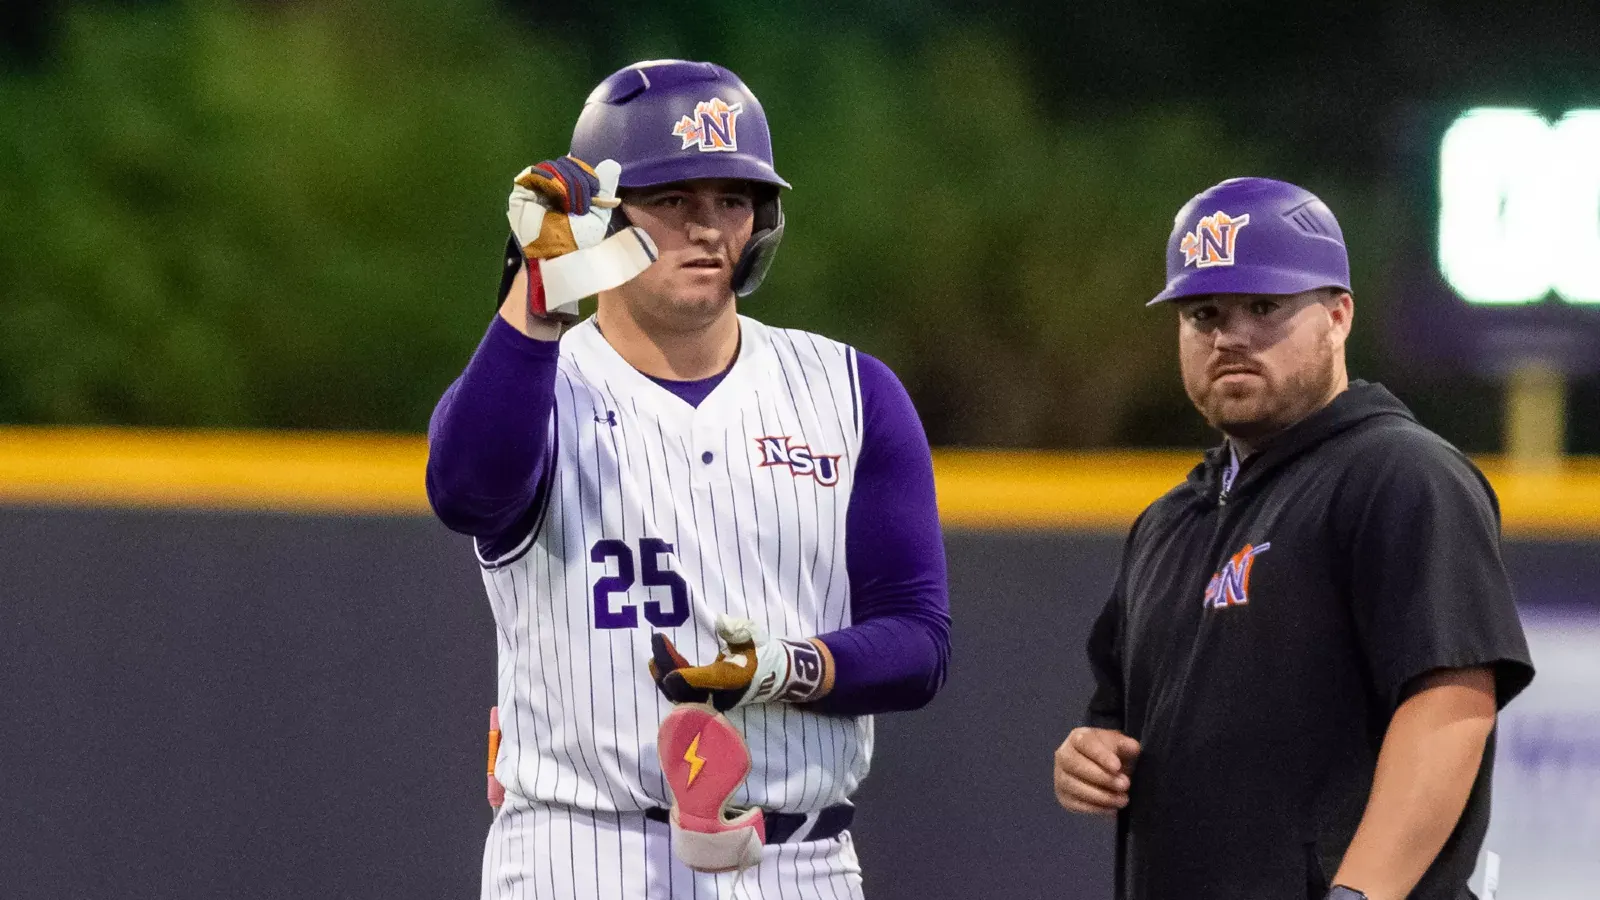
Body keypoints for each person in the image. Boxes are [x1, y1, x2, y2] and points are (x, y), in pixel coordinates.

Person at [426, 59, 951, 900]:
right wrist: (537, 297)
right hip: (583, 848)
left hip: (803, 859)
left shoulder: (851, 391)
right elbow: (466, 492)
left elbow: (918, 645)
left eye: (733, 199)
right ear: (602, 217)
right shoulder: (536, 382)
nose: (707, 227)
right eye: (672, 200)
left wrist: (778, 669)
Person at [1051, 177, 1535, 900]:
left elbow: (1451, 705)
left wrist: (1362, 894)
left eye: (1264, 306)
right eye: (1204, 313)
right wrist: (1087, 756)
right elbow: (1118, 719)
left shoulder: (1400, 474)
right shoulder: (1169, 521)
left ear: (1338, 316)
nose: (1230, 336)